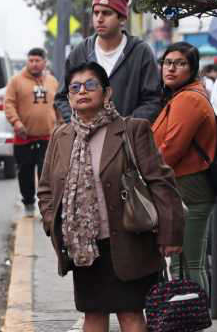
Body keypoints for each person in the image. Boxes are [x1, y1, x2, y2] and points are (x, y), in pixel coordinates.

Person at [38, 61, 183, 332]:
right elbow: (46, 187)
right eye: (75, 87)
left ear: (106, 93)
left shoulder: (132, 129)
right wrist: (52, 222)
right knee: (93, 316)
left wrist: (171, 235)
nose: (83, 91)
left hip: (130, 241)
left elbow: (161, 183)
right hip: (84, 248)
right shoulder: (62, 136)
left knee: (130, 315)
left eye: (91, 85)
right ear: (69, 96)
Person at [152, 42, 217, 291]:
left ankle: (194, 321)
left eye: (180, 64)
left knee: (191, 263)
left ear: (192, 69)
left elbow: (171, 149)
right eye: (168, 63)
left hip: (190, 186)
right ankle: (183, 320)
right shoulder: (179, 96)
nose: (171, 69)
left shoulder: (189, 99)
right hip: (181, 185)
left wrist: (146, 172)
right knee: (179, 263)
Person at [55, 0, 162, 123]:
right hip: (86, 140)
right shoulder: (80, 52)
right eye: (96, 13)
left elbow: (152, 100)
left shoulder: (140, 52)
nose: (99, 18)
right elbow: (62, 97)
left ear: (122, 18)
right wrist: (78, 123)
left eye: (106, 13)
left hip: (126, 140)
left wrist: (125, 126)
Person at [4, 48, 59, 216]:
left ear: (44, 62)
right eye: (31, 60)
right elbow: (9, 104)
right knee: (25, 172)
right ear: (27, 61)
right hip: (24, 137)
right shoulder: (16, 81)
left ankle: (46, 206)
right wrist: (16, 123)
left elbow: (59, 104)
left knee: (46, 173)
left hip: (47, 137)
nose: (34, 64)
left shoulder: (52, 81)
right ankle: (28, 202)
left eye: (38, 60)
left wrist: (61, 124)